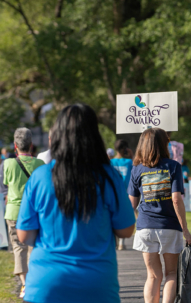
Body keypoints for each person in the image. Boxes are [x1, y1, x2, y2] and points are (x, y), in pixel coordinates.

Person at [16, 104, 136, 303]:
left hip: (46, 286)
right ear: (94, 136)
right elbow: (126, 230)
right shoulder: (109, 177)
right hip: (97, 286)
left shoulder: (40, 177)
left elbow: (24, 235)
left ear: (56, 136)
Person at [128, 128, 191, 303]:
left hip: (145, 227)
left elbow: (132, 204)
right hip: (169, 227)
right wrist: (185, 230)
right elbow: (176, 200)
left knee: (152, 275)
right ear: (164, 144)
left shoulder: (136, 169)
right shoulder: (173, 166)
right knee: (171, 274)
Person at [3, 128, 45, 298]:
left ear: (15, 146)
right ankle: (34, 282)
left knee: (18, 247)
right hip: (34, 212)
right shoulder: (40, 164)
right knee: (33, 247)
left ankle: (25, 285)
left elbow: (6, 184)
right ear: (31, 145)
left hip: (13, 212)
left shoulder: (7, 164)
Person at [111, 139, 134, 250]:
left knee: (113, 215)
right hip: (125, 193)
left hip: (112, 192)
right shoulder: (129, 162)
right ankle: (121, 242)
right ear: (125, 149)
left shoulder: (111, 162)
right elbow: (138, 168)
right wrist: (132, 155)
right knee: (123, 216)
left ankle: (114, 239)